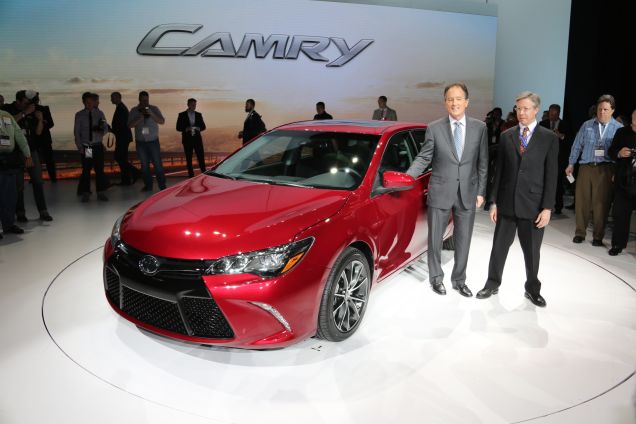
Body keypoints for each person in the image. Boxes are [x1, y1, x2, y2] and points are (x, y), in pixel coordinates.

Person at [476, 91, 558, 307]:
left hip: (533, 205)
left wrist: (547, 207)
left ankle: (532, 289)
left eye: (526, 108)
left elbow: (551, 175)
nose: (521, 112)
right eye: (518, 108)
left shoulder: (549, 138)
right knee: (498, 248)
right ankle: (492, 284)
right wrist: (494, 202)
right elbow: (499, 172)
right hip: (507, 203)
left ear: (536, 110)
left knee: (532, 252)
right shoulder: (507, 136)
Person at [407, 82, 488, 297]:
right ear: (445, 103)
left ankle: (459, 280)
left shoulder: (480, 128)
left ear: (466, 102)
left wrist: (481, 191)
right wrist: (407, 178)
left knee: (463, 240)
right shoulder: (434, 128)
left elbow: (483, 163)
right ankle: (436, 278)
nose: (454, 103)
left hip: (468, 192)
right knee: (435, 239)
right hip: (440, 191)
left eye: (458, 99)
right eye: (450, 99)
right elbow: (423, 157)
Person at [566, 94, 622, 246]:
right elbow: (577, 145)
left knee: (601, 204)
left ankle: (598, 236)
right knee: (581, 202)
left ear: (612, 110)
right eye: (599, 109)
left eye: (605, 109)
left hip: (605, 169)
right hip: (586, 167)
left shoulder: (618, 129)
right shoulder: (587, 125)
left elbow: (619, 154)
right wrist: (571, 163)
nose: (602, 112)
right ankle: (580, 233)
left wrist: (616, 172)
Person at [1, 90, 53, 221]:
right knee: (18, 185)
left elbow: (38, 132)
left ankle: (43, 211)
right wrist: (25, 113)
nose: (27, 104)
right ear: (18, 101)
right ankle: (20, 213)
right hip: (15, 152)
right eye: (25, 102)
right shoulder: (8, 109)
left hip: (31, 150)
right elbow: (8, 124)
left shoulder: (32, 111)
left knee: (38, 182)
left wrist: (40, 120)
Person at [0, 109, 34, 237]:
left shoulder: (6, 115)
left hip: (8, 161)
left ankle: (8, 225)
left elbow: (19, 134)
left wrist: (27, 154)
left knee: (10, 195)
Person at [607, 109, 636, 256]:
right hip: (623, 180)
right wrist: (619, 153)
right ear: (632, 116)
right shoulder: (622, 132)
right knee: (620, 215)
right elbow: (611, 152)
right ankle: (617, 244)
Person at [74, 92, 109, 202]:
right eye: (87, 102)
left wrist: (100, 130)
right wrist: (80, 147)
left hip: (97, 146)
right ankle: (86, 193)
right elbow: (77, 132)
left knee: (99, 170)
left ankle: (100, 192)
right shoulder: (79, 115)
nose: (89, 104)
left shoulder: (100, 114)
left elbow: (106, 128)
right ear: (83, 102)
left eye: (91, 102)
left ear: (94, 102)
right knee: (86, 170)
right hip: (88, 147)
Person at [128, 91, 166, 191]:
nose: (145, 102)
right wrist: (140, 117)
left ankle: (162, 186)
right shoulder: (134, 110)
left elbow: (162, 121)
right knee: (144, 166)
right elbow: (129, 125)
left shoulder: (154, 108)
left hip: (153, 141)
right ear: (139, 100)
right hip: (141, 143)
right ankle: (148, 186)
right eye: (143, 100)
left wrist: (151, 113)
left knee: (157, 164)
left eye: (147, 100)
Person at [540, 104, 571, 214]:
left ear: (559, 113)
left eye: (555, 114)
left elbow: (570, 142)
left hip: (559, 160)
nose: (552, 116)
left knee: (558, 184)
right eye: (551, 114)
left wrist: (561, 136)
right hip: (544, 159)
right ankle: (542, 206)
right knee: (543, 182)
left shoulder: (565, 125)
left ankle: (558, 206)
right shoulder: (542, 124)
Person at [110, 92, 139, 185]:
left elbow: (122, 125)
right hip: (123, 137)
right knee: (122, 158)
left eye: (112, 97)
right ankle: (126, 180)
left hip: (122, 137)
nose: (111, 99)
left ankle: (135, 172)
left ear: (118, 98)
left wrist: (111, 129)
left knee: (119, 157)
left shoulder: (121, 108)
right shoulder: (121, 107)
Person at [176, 98, 207, 177]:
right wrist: (186, 129)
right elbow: (178, 127)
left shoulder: (199, 114)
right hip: (187, 140)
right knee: (189, 159)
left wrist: (198, 128)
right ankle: (191, 177)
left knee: (201, 158)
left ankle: (204, 175)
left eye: (195, 105)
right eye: (192, 105)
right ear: (188, 105)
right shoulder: (181, 115)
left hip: (197, 140)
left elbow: (203, 127)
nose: (194, 106)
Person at [32, 94, 56, 182]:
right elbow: (50, 124)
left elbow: (51, 123)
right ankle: (38, 178)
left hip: (43, 139)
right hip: (36, 139)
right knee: (39, 160)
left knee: (47, 159)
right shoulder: (43, 109)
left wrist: (41, 123)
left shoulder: (44, 109)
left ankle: (51, 177)